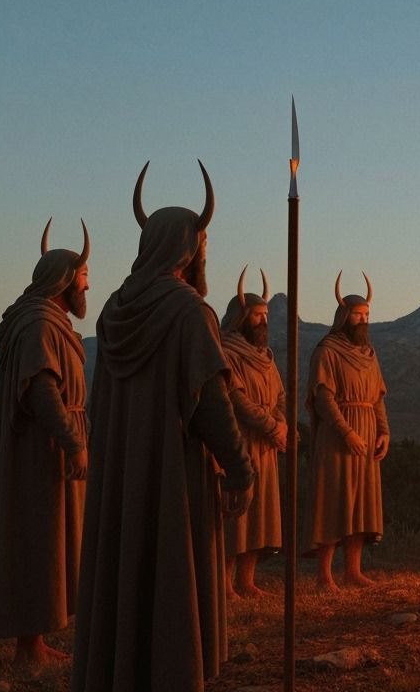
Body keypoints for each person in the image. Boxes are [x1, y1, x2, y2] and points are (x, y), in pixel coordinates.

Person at [73, 163, 255, 691]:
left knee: (127, 568)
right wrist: (240, 469)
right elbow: (210, 403)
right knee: (176, 577)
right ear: (188, 248)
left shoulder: (111, 311)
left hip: (126, 476)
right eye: (203, 246)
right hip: (175, 475)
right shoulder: (189, 313)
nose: (204, 255)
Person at [0, 220, 90, 666]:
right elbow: (42, 388)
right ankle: (30, 646)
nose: (88, 283)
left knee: (47, 540)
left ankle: (36, 641)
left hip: (47, 448)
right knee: (38, 539)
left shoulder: (45, 320)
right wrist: (71, 441)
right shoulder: (41, 323)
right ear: (64, 280)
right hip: (40, 453)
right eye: (83, 276)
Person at [305, 272, 390, 591]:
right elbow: (324, 398)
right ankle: (324, 575)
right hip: (338, 436)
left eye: (367, 314)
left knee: (361, 503)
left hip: (368, 431)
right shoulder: (327, 350)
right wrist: (346, 432)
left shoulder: (369, 354)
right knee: (334, 500)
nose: (363, 319)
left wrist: (384, 431)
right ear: (344, 315)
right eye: (358, 314)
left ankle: (353, 571)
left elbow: (378, 397)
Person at [220, 268, 287, 598]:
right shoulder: (228, 352)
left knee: (259, 514)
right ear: (241, 316)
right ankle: (224, 583)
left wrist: (282, 423)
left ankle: (247, 580)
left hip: (266, 444)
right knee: (237, 515)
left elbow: (280, 396)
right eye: (257, 315)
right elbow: (236, 397)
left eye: (265, 315)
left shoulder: (266, 357)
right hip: (242, 439)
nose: (263, 321)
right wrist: (272, 426)